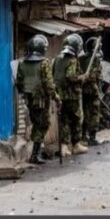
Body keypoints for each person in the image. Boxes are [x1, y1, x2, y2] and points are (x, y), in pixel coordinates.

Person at [15, 35, 61, 164]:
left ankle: (36, 153)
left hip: (29, 100)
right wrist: (56, 98)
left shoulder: (22, 63)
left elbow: (19, 82)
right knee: (43, 124)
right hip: (41, 100)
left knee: (37, 123)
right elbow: (49, 84)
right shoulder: (44, 63)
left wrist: (26, 94)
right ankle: (35, 154)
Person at [53, 33, 89, 156]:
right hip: (72, 96)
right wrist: (82, 77)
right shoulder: (72, 60)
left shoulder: (57, 59)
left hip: (60, 96)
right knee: (76, 120)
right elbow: (70, 76)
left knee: (64, 121)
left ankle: (63, 147)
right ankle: (76, 145)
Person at [79, 37, 102, 146]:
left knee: (84, 112)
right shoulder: (95, 58)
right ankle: (92, 137)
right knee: (94, 113)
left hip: (82, 89)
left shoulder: (80, 58)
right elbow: (94, 76)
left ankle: (83, 136)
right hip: (92, 89)